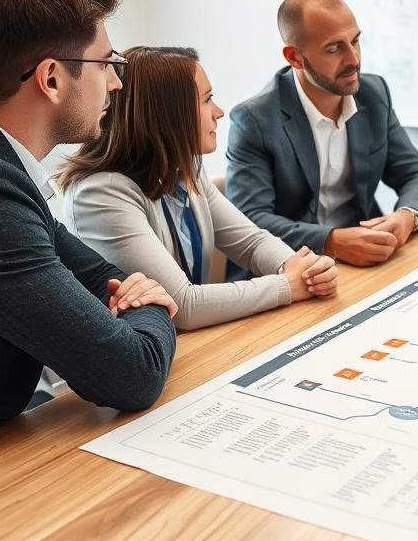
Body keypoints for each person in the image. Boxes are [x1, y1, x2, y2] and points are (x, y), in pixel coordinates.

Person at [0, 0, 177, 423]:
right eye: (105, 63)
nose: (117, 82)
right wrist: (152, 303)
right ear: (52, 78)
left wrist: (130, 303)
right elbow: (130, 374)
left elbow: (101, 276)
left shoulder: (14, 179)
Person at [59, 47, 340, 332]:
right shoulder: (100, 195)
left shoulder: (184, 169)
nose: (219, 112)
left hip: (189, 343)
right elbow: (183, 305)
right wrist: (285, 285)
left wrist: (300, 269)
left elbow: (251, 242)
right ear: (167, 115)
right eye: (207, 100)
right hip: (141, 359)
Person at [226, 0, 418, 268]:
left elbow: (416, 174)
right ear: (294, 57)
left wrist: (407, 216)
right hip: (288, 272)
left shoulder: (374, 94)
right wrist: (331, 241)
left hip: (362, 264)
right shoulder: (254, 120)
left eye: (355, 41)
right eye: (334, 48)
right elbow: (251, 221)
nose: (353, 59)